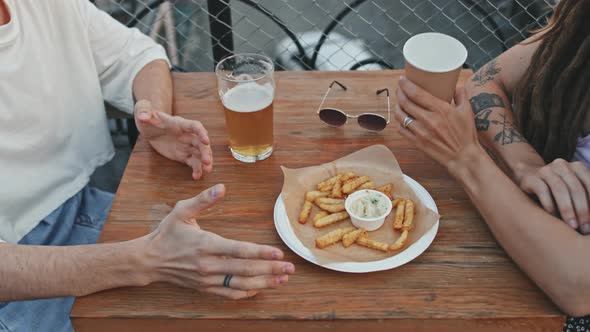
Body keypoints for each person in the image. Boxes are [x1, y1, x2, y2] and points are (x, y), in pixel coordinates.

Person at [0, 1, 293, 331]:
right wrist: (146, 260)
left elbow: (139, 55)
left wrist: (151, 113)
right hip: (16, 285)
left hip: (82, 210)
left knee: (252, 273)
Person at [393, 0, 590, 326]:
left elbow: (578, 286)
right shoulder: (579, 25)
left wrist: (466, 158)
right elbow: (485, 82)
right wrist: (525, 164)